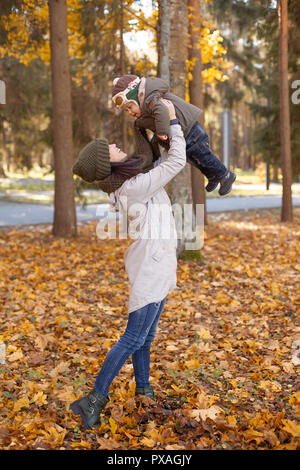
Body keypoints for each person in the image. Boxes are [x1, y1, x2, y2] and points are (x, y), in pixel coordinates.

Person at [70, 99, 186, 430]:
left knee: (145, 338)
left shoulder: (133, 182)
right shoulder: (133, 188)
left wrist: (158, 132)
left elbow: (161, 162)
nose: (118, 146)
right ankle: (93, 400)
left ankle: (144, 392)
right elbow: (176, 160)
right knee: (133, 337)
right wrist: (173, 122)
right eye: (113, 149)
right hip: (150, 266)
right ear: (108, 164)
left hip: (158, 263)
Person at [112, 74, 236, 196]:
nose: (129, 112)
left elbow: (162, 111)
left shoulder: (151, 100)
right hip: (183, 135)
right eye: (126, 110)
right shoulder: (143, 114)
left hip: (190, 129)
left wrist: (161, 131)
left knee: (203, 155)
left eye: (130, 106)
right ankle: (212, 176)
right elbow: (143, 131)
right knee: (194, 159)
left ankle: (225, 175)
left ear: (138, 97)